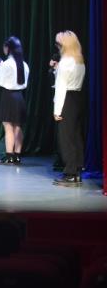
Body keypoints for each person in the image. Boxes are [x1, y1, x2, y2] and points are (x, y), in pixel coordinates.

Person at [50, 30, 86, 187]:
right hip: (77, 98)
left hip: (67, 100)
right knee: (76, 136)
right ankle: (77, 169)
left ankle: (70, 173)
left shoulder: (65, 62)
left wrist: (57, 110)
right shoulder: (79, 61)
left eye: (58, 44)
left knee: (66, 138)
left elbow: (61, 87)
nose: (57, 47)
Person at [0, 36, 29, 165]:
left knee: (8, 127)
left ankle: (9, 156)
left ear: (8, 48)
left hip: (9, 96)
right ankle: (17, 155)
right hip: (19, 96)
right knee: (18, 127)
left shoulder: (7, 64)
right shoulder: (24, 64)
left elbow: (0, 82)